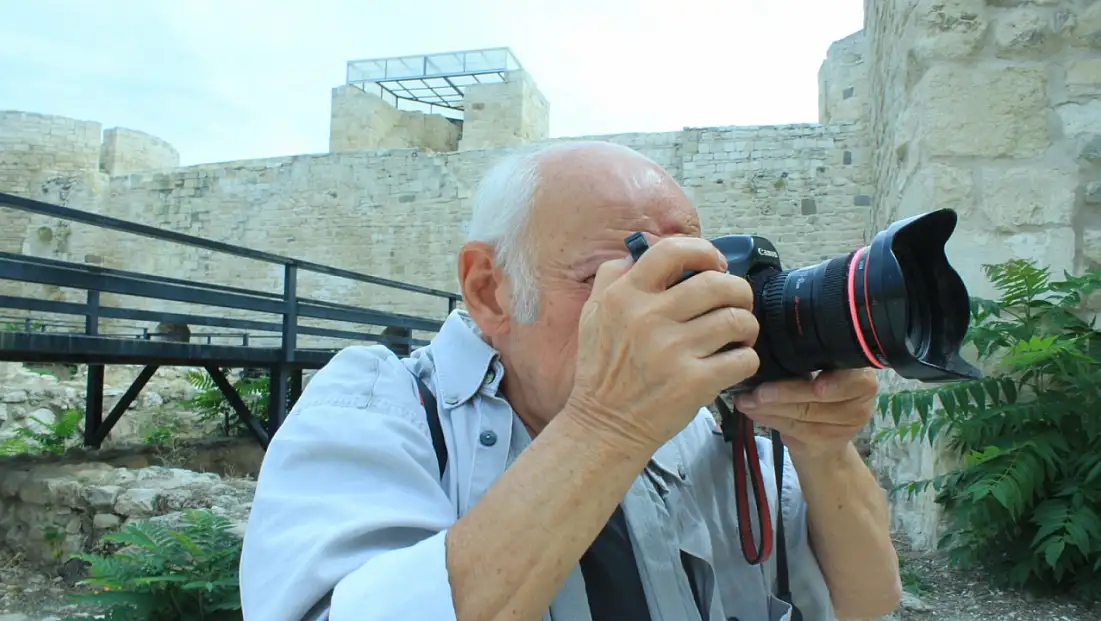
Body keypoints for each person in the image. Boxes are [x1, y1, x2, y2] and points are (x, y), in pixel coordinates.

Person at [238, 141, 902, 621]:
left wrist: (823, 447)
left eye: (690, 274)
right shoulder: (375, 409)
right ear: (489, 290)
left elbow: (863, 600)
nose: (669, 308)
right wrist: (608, 425)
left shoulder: (703, 425)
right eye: (618, 276)